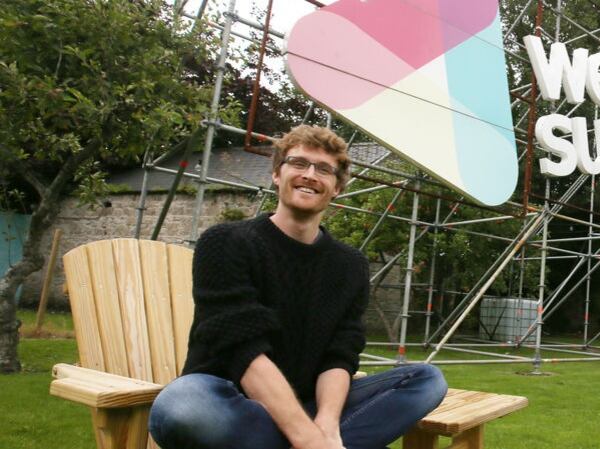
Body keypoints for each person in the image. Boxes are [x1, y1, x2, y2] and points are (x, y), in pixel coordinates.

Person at [148, 125, 448, 449]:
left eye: (323, 169)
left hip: (307, 407)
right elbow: (243, 351)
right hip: (232, 401)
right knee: (182, 405)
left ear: (336, 188)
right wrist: (308, 440)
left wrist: (327, 424)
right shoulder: (227, 242)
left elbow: (340, 354)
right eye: (299, 163)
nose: (310, 174)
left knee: (426, 380)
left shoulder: (350, 266)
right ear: (278, 174)